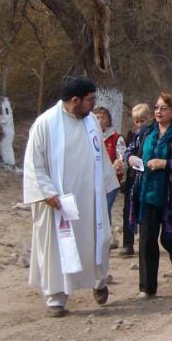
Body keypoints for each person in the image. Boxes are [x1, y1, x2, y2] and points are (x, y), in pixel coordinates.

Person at [23, 76, 119, 317]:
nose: (93, 104)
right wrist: (47, 193)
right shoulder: (45, 124)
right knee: (58, 249)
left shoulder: (92, 123)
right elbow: (34, 164)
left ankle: (99, 281)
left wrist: (111, 181)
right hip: (58, 204)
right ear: (75, 101)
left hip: (91, 201)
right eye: (90, 100)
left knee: (99, 239)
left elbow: (100, 159)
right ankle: (56, 298)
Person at [125, 92, 172, 298]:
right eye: (156, 107)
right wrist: (130, 157)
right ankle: (147, 288)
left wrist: (165, 163)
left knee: (170, 239)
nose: (158, 111)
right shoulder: (146, 132)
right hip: (147, 193)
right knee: (147, 240)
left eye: (163, 108)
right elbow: (129, 150)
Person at [117, 103, 152, 256]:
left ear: (149, 118)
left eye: (142, 120)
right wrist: (126, 158)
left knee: (146, 211)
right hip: (133, 176)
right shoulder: (131, 135)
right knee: (128, 210)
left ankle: (147, 243)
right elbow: (126, 152)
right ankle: (128, 243)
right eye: (136, 121)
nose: (139, 124)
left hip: (147, 176)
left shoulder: (153, 134)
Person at [93, 106, 125, 249]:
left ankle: (107, 238)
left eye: (103, 118)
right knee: (100, 209)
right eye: (97, 117)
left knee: (105, 208)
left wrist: (118, 163)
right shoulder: (90, 136)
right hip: (95, 180)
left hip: (112, 181)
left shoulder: (116, 138)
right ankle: (107, 236)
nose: (100, 121)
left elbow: (122, 157)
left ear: (109, 120)